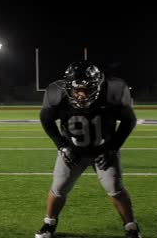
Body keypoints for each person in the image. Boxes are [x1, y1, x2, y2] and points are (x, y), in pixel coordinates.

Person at [35, 61, 140, 238]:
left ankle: (131, 228)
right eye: (76, 90)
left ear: (97, 86)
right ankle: (49, 224)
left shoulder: (113, 91)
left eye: (86, 89)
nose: (81, 95)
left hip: (103, 150)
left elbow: (129, 120)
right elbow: (46, 119)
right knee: (58, 188)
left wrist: (112, 148)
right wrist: (62, 146)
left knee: (115, 188)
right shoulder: (56, 92)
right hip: (72, 151)